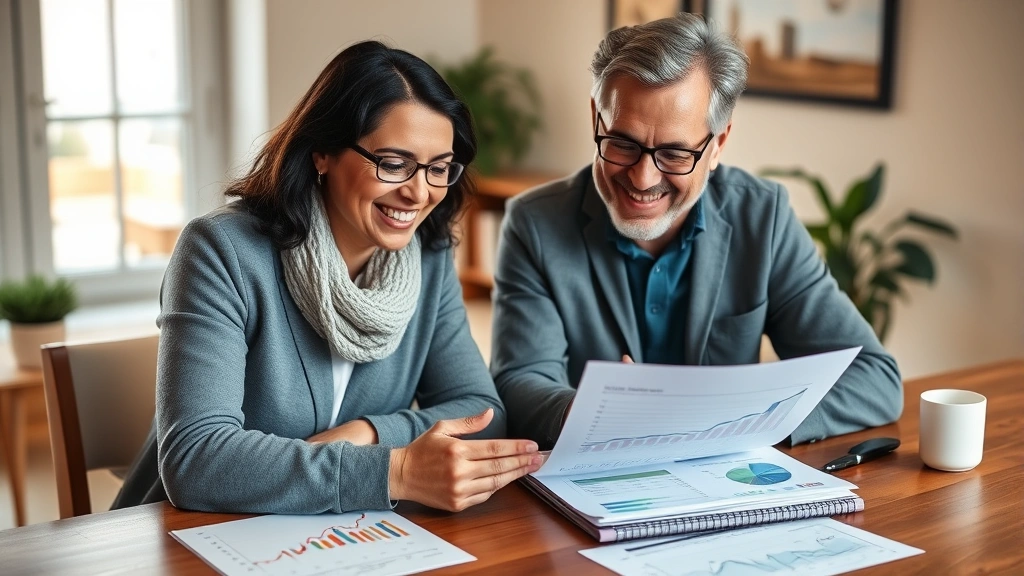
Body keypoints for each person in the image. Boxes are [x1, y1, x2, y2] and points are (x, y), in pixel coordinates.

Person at [113, 41, 542, 514]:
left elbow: (482, 415)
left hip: (335, 535)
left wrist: (370, 434)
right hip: (194, 531)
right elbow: (197, 460)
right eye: (393, 164)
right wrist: (394, 471)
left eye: (438, 168)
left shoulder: (430, 259)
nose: (419, 193)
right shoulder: (219, 251)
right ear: (323, 153)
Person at [491, 14, 902, 450]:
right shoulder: (534, 224)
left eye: (674, 154)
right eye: (623, 144)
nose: (643, 178)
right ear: (597, 117)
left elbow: (874, 378)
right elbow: (520, 381)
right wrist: (582, 413)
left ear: (718, 144)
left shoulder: (764, 219)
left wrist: (728, 419)